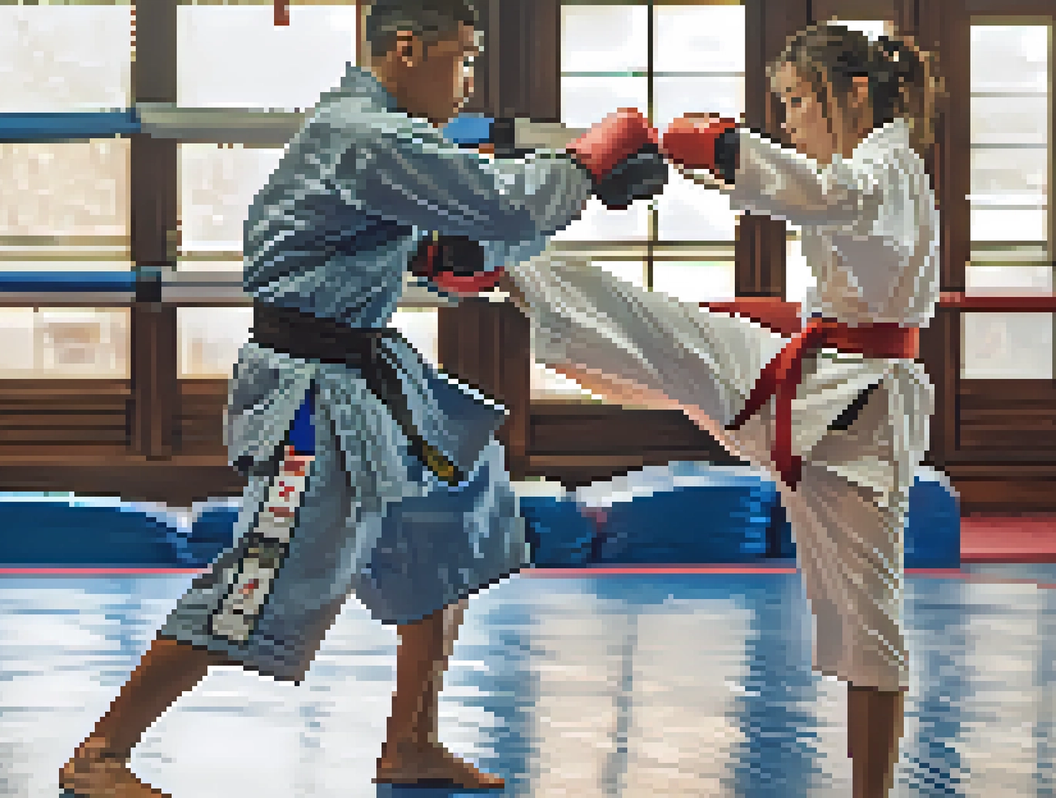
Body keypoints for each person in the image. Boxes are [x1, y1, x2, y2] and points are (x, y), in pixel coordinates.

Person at [59, 1, 667, 795]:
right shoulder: (366, 133)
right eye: (464, 56)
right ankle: (101, 753)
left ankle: (410, 743)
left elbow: (469, 229)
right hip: (310, 389)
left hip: (374, 375)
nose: (469, 76)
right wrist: (588, 165)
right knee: (267, 569)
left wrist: (481, 237)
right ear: (408, 49)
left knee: (452, 524)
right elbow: (504, 203)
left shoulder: (381, 134)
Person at [503, 23, 943, 798]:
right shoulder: (856, 169)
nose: (793, 120)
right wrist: (688, 158)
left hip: (857, 414)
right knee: (670, 338)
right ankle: (502, 262)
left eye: (800, 102)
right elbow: (806, 190)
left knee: (866, 617)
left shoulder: (887, 171)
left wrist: (730, 151)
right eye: (785, 106)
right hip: (818, 388)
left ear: (856, 93)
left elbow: (829, 197)